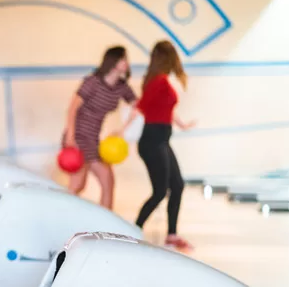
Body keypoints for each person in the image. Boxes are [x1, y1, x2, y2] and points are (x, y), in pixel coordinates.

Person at [122, 41, 196, 250]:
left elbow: (165, 108)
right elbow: (141, 107)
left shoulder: (159, 81)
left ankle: (171, 235)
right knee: (160, 191)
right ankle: (133, 229)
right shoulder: (158, 81)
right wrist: (122, 130)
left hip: (161, 139)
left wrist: (183, 124)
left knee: (177, 185)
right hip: (152, 141)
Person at [63, 46, 136, 210]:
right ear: (114, 61)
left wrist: (122, 130)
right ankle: (63, 217)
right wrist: (70, 135)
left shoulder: (121, 87)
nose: (126, 62)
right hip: (78, 135)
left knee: (108, 179)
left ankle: (106, 226)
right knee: (78, 183)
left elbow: (138, 108)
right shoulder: (93, 82)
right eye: (123, 59)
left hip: (93, 139)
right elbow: (73, 108)